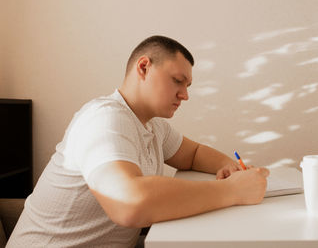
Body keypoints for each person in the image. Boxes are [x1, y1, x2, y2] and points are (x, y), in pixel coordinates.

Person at [7, 36, 269, 247]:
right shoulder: (104, 119)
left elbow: (193, 154)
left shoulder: (154, 127)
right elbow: (128, 203)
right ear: (143, 67)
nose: (185, 95)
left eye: (188, 85)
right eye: (178, 81)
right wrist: (232, 191)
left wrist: (227, 165)